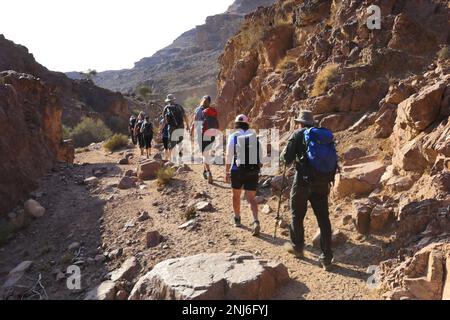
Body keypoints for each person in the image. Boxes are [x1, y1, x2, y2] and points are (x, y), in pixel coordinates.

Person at [282, 110, 337, 271]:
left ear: (300, 123)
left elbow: (286, 159)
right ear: (311, 123)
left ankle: (298, 247)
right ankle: (327, 257)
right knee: (323, 218)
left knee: (296, 213)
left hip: (303, 182)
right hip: (322, 181)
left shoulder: (298, 134)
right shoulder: (322, 136)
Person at [225, 115, 263, 237]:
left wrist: (227, 172)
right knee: (251, 198)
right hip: (252, 171)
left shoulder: (233, 136)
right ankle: (255, 220)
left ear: (236, 124)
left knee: (236, 195)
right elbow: (261, 157)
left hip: (237, 170)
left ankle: (237, 219)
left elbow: (229, 155)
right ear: (248, 123)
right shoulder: (254, 136)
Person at [190, 95, 219, 184]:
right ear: (209, 102)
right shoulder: (212, 110)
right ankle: (205, 171)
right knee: (207, 153)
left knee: (204, 154)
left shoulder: (198, 110)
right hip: (212, 133)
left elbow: (194, 122)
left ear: (202, 101)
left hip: (201, 134)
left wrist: (191, 132)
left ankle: (209, 171)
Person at [162, 94, 189, 161]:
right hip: (180, 126)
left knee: (171, 142)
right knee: (180, 142)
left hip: (171, 127)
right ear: (174, 100)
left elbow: (164, 119)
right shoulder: (179, 106)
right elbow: (185, 116)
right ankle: (180, 157)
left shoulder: (166, 108)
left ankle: (170, 158)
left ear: (168, 101)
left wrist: (162, 128)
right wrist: (188, 125)